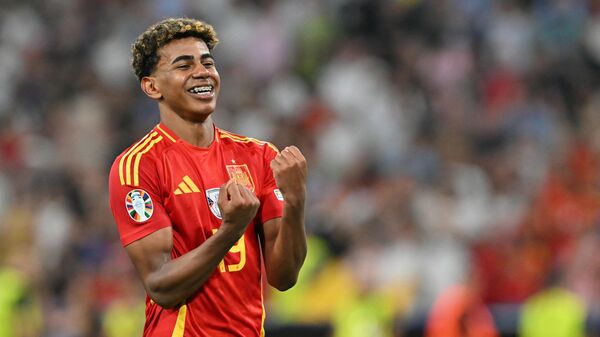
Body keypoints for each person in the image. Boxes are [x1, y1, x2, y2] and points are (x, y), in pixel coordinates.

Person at [108, 17, 308, 337]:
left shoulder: (259, 157)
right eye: (184, 65)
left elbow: (284, 278)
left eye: (208, 63)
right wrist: (231, 229)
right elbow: (161, 287)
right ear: (152, 86)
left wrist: (296, 202)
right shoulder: (139, 166)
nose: (202, 72)